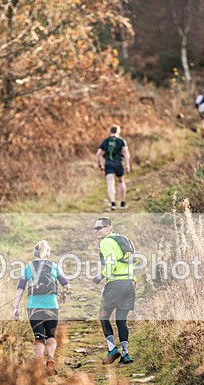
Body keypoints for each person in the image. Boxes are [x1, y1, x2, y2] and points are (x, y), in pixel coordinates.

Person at [13, 240, 71, 375]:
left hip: (33, 306)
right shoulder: (54, 266)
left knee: (39, 338)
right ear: (48, 253)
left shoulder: (27, 268)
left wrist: (15, 307)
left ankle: (38, 366)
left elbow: (20, 289)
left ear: (35, 253)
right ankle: (50, 358)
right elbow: (67, 285)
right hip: (52, 305)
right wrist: (63, 294)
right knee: (51, 336)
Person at [92, 217, 135, 365]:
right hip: (130, 283)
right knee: (121, 320)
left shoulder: (106, 242)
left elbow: (111, 263)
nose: (97, 231)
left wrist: (100, 277)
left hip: (116, 283)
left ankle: (112, 349)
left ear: (109, 227)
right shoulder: (125, 240)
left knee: (103, 316)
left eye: (100, 227)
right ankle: (125, 354)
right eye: (95, 228)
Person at [95, 125, 131, 211]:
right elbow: (126, 153)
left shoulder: (106, 141)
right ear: (118, 132)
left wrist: (100, 165)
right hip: (119, 164)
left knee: (110, 183)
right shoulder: (121, 141)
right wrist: (127, 165)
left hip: (108, 164)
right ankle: (122, 203)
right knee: (121, 181)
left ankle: (113, 204)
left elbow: (98, 154)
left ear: (110, 131)